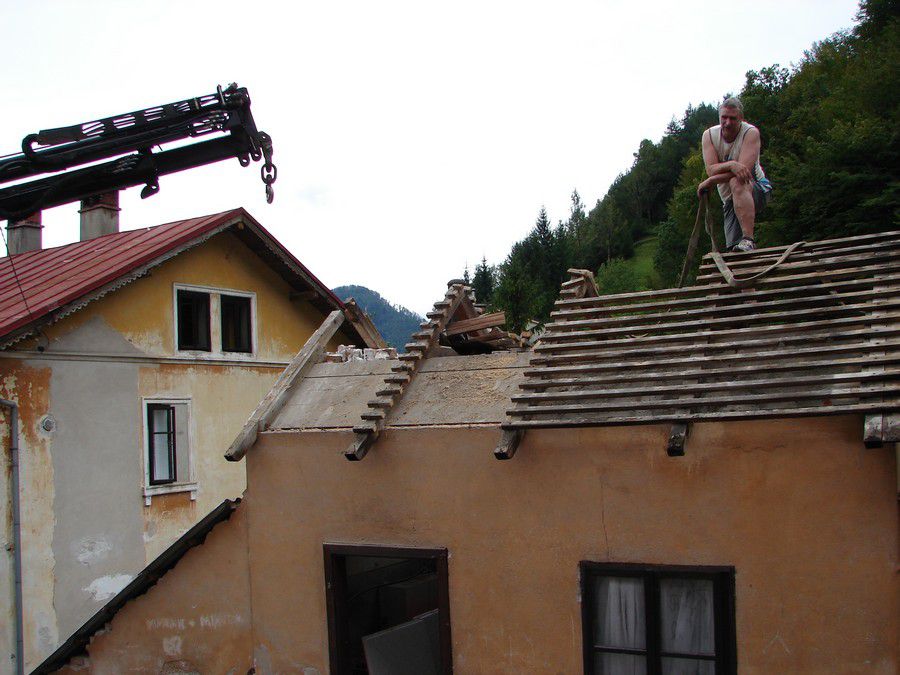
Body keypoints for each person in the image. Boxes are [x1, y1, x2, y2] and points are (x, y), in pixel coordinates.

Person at [698, 97, 772, 252]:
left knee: (737, 182)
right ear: (719, 118)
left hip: (758, 188)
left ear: (741, 119)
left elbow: (743, 173)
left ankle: (748, 239)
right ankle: (742, 260)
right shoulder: (709, 136)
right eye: (724, 118)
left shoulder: (750, 133)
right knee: (734, 250)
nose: (728, 122)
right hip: (730, 200)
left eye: (733, 118)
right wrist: (732, 164)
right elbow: (710, 169)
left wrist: (711, 181)